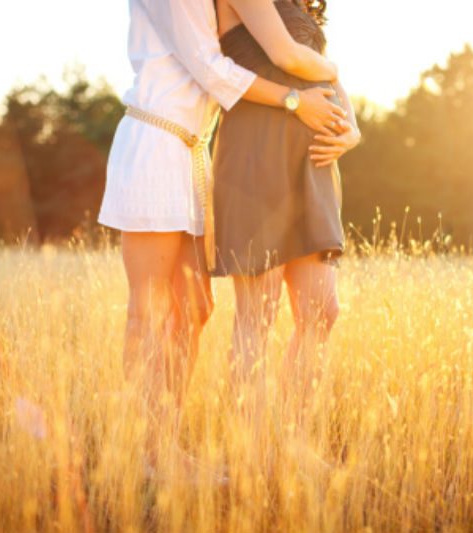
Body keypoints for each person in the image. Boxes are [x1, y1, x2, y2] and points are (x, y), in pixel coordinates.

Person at [96, 0, 347, 465]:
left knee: (195, 307)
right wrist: (297, 97)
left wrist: (336, 108)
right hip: (156, 139)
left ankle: (168, 442)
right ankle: (148, 455)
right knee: (148, 312)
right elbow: (213, 69)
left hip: (194, 149)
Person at [211, 0, 361, 428]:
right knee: (258, 311)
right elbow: (286, 56)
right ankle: (252, 450)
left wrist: (351, 129)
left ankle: (292, 440)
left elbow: (322, 70)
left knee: (322, 311)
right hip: (258, 148)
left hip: (312, 159)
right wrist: (333, 72)